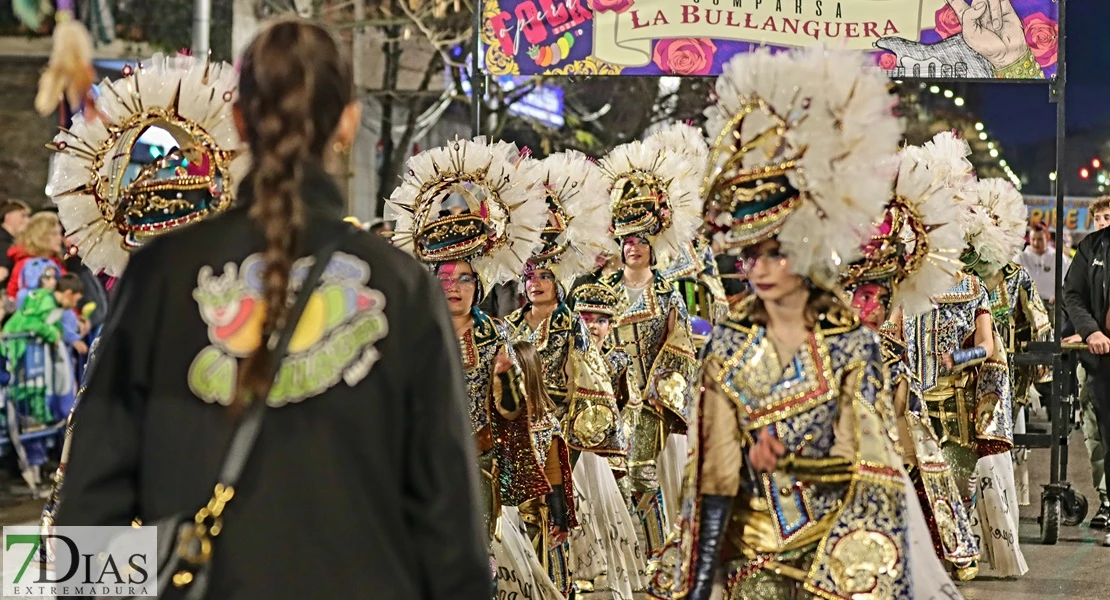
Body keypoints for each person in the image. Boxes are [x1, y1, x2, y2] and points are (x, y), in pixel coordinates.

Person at [56, 19, 491, 598]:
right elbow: (450, 528)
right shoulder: (402, 286)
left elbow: (88, 519)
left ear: (238, 121)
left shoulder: (161, 275)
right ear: (347, 122)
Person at [652, 46, 952, 600]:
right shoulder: (730, 342)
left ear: (806, 247)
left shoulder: (848, 341)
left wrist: (789, 462)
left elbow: (870, 463)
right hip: (752, 563)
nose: (759, 269)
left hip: (837, 555)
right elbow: (712, 476)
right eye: (750, 255)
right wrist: (698, 584)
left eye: (775, 253)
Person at [388, 135, 553, 591]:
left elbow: (514, 413)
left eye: (464, 279)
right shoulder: (413, 337)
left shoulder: (498, 336)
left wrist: (506, 382)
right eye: (444, 278)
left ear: (477, 286)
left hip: (481, 469)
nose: (454, 287)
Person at [842, 136, 980, 578]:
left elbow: (986, 348)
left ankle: (939, 545)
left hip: (942, 395)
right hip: (878, 377)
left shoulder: (962, 286)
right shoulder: (861, 274)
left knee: (931, 473)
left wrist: (958, 360)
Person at [505, 150, 641, 596]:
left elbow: (594, 387)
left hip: (563, 446)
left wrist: (573, 441)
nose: (535, 283)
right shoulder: (508, 328)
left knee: (558, 525)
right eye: (529, 274)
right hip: (515, 441)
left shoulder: (572, 326)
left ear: (558, 278)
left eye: (544, 275)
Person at [599, 135, 701, 558]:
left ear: (652, 245)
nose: (633, 247)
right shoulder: (602, 293)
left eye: (641, 240)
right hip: (613, 401)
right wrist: (611, 374)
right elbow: (589, 347)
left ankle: (661, 554)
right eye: (627, 241)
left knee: (652, 478)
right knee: (620, 478)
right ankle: (627, 556)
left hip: (655, 405)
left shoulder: (668, 294)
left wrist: (657, 389)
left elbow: (681, 348)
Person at [6, 211, 65, 302]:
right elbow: (13, 299)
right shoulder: (26, 265)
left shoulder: (55, 262)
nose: (60, 238)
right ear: (39, 236)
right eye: (54, 234)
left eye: (59, 233)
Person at [1017, 222, 1070, 321]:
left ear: (1048, 237)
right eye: (1033, 239)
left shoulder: (1059, 257)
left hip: (1052, 306)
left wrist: (1060, 295)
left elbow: (1069, 280)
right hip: (1028, 306)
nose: (1036, 243)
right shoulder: (1021, 257)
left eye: (1040, 239)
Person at [0, 199, 30, 290]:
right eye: (23, 216)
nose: (27, 221)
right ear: (8, 217)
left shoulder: (11, 241)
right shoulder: (3, 243)